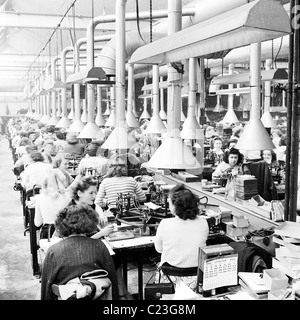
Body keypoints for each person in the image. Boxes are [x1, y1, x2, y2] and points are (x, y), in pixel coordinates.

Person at [40, 204, 119, 300]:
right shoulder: (100, 246)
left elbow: (46, 287)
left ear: (61, 225)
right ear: (91, 222)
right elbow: (113, 279)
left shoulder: (53, 251)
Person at [154, 184, 209, 290]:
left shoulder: (165, 223)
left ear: (176, 206)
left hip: (169, 280)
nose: (168, 205)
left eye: (169, 202)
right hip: (196, 280)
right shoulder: (204, 223)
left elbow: (159, 249)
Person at [34, 170, 71, 239]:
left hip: (47, 233)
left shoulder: (40, 198)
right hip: (64, 233)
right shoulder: (67, 198)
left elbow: (37, 223)